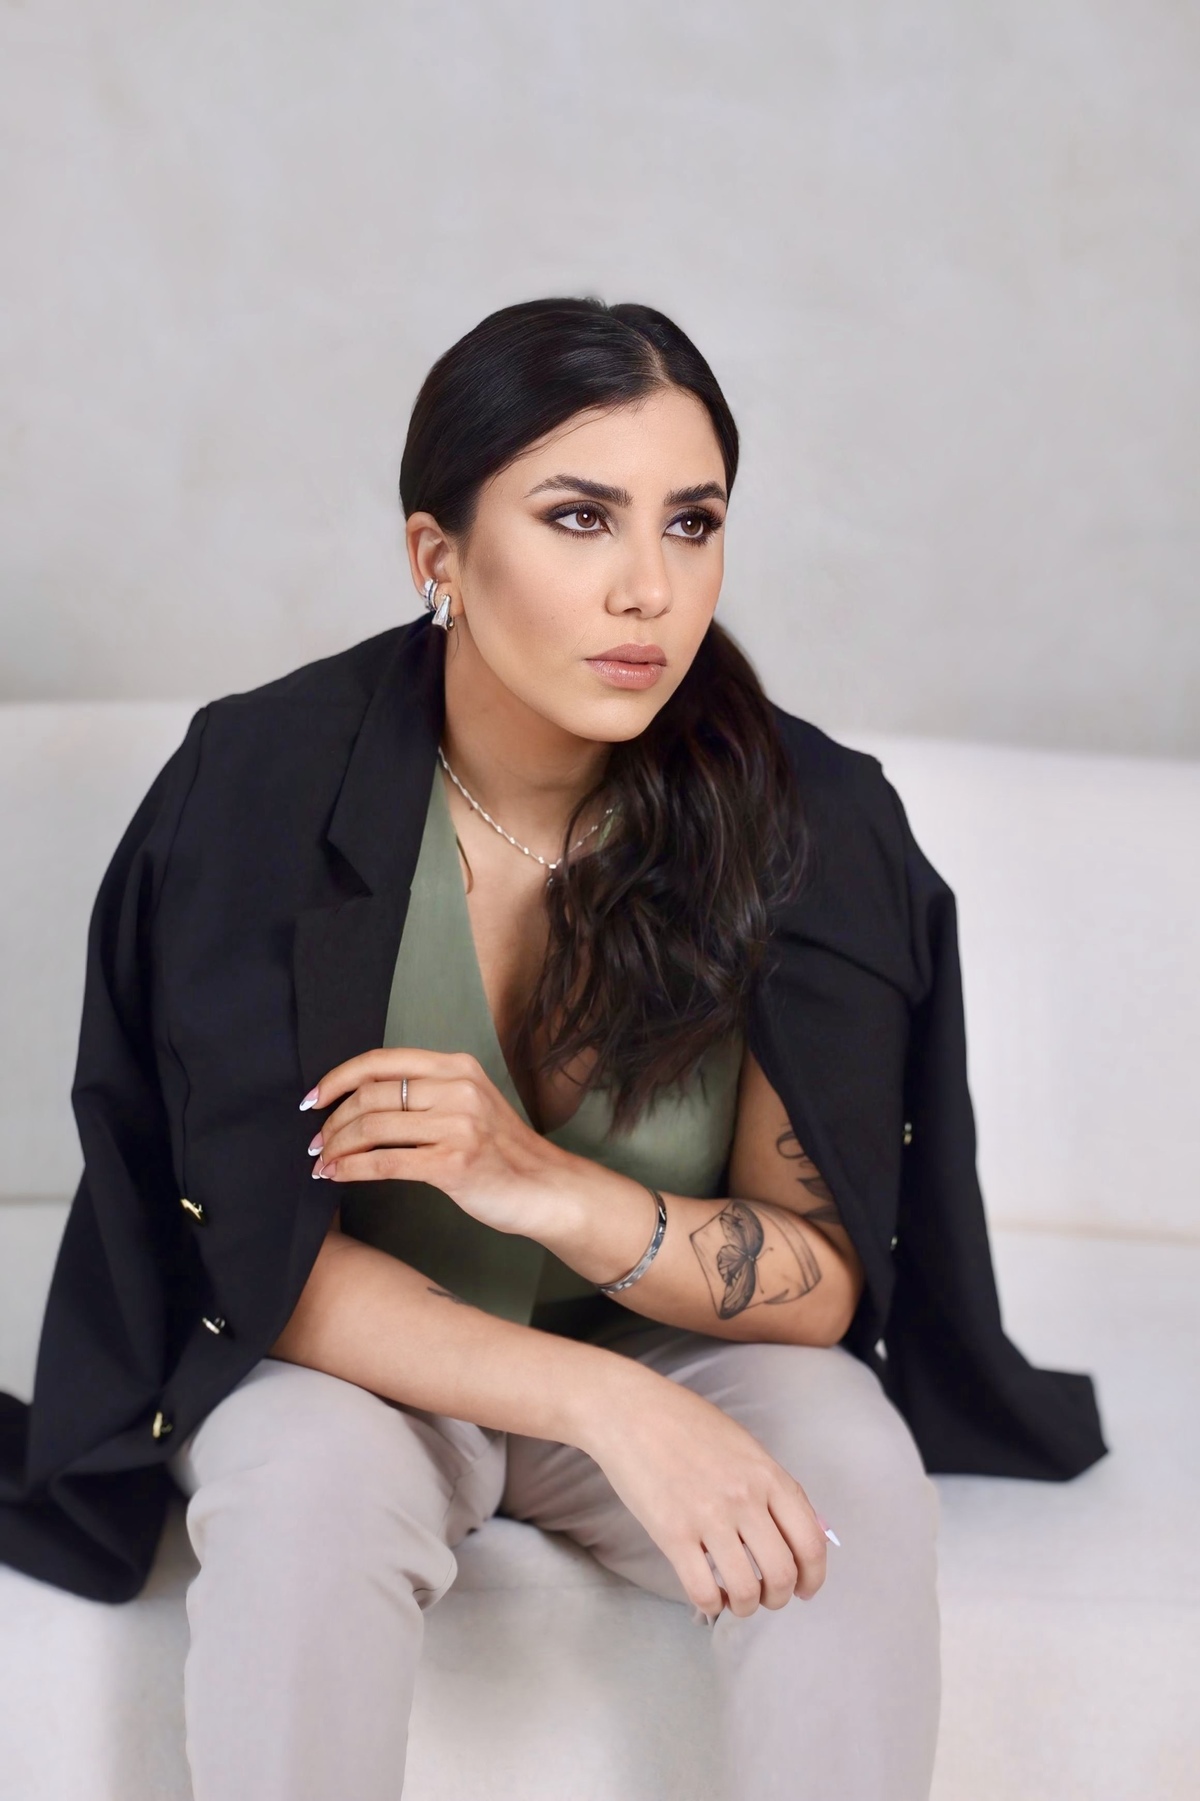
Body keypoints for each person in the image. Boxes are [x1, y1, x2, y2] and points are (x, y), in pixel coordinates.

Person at [0, 298, 1107, 1801]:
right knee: (304, 1483)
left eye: (692, 522)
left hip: (676, 1339)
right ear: (438, 555)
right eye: (581, 517)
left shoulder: (810, 817)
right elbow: (255, 1261)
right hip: (363, 1365)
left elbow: (818, 1274)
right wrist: (606, 1405)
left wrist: (559, 1195)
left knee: (847, 1465)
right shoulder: (258, 785)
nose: (649, 587)